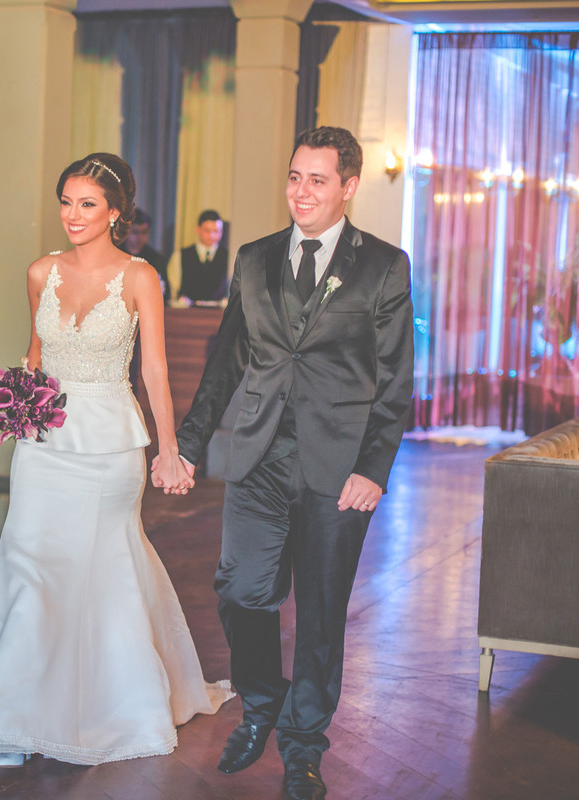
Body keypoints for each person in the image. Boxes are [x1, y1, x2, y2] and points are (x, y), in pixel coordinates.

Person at [0, 153, 232, 768]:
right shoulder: (39, 271)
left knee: (98, 568)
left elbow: (154, 369)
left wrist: (170, 450)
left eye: (88, 204)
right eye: (67, 202)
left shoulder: (139, 277)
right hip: (42, 446)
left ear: (116, 212)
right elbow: (34, 353)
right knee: (29, 565)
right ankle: (12, 720)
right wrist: (17, 405)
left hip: (109, 444)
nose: (73, 215)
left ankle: (111, 707)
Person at [156, 127, 413, 800]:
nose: (301, 192)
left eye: (317, 180)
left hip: (340, 466)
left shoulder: (384, 265)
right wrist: (188, 444)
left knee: (321, 616)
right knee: (240, 590)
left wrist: (374, 468)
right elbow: (226, 361)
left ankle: (303, 747)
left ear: (348, 187)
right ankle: (262, 698)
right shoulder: (254, 258)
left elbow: (395, 380)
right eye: (295, 176)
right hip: (260, 454)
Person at [166, 209, 228, 306]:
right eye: (207, 231)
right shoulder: (180, 256)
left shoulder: (229, 257)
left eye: (216, 231)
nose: (211, 236)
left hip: (218, 313)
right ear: (198, 229)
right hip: (187, 312)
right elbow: (173, 289)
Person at [122, 207, 168, 298]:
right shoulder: (116, 253)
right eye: (135, 232)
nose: (139, 237)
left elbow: (164, 292)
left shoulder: (156, 259)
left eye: (144, 232)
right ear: (127, 231)